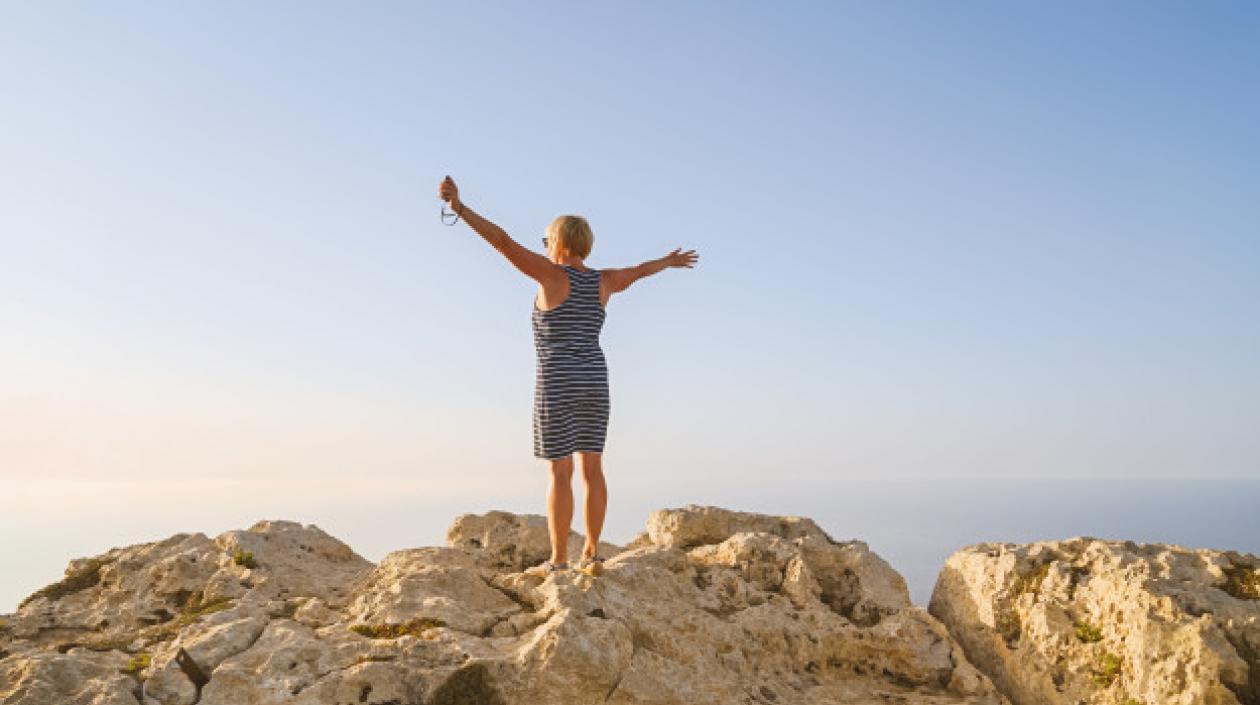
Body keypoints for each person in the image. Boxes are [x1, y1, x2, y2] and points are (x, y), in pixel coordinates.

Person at [437, 175, 698, 576]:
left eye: (545, 241)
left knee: (561, 472)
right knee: (593, 469)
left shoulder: (551, 276)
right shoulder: (604, 281)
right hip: (594, 379)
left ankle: (559, 561)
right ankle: (592, 554)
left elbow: (502, 241)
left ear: (559, 244)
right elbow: (640, 271)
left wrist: (460, 209)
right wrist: (669, 261)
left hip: (558, 382)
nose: (543, 247)